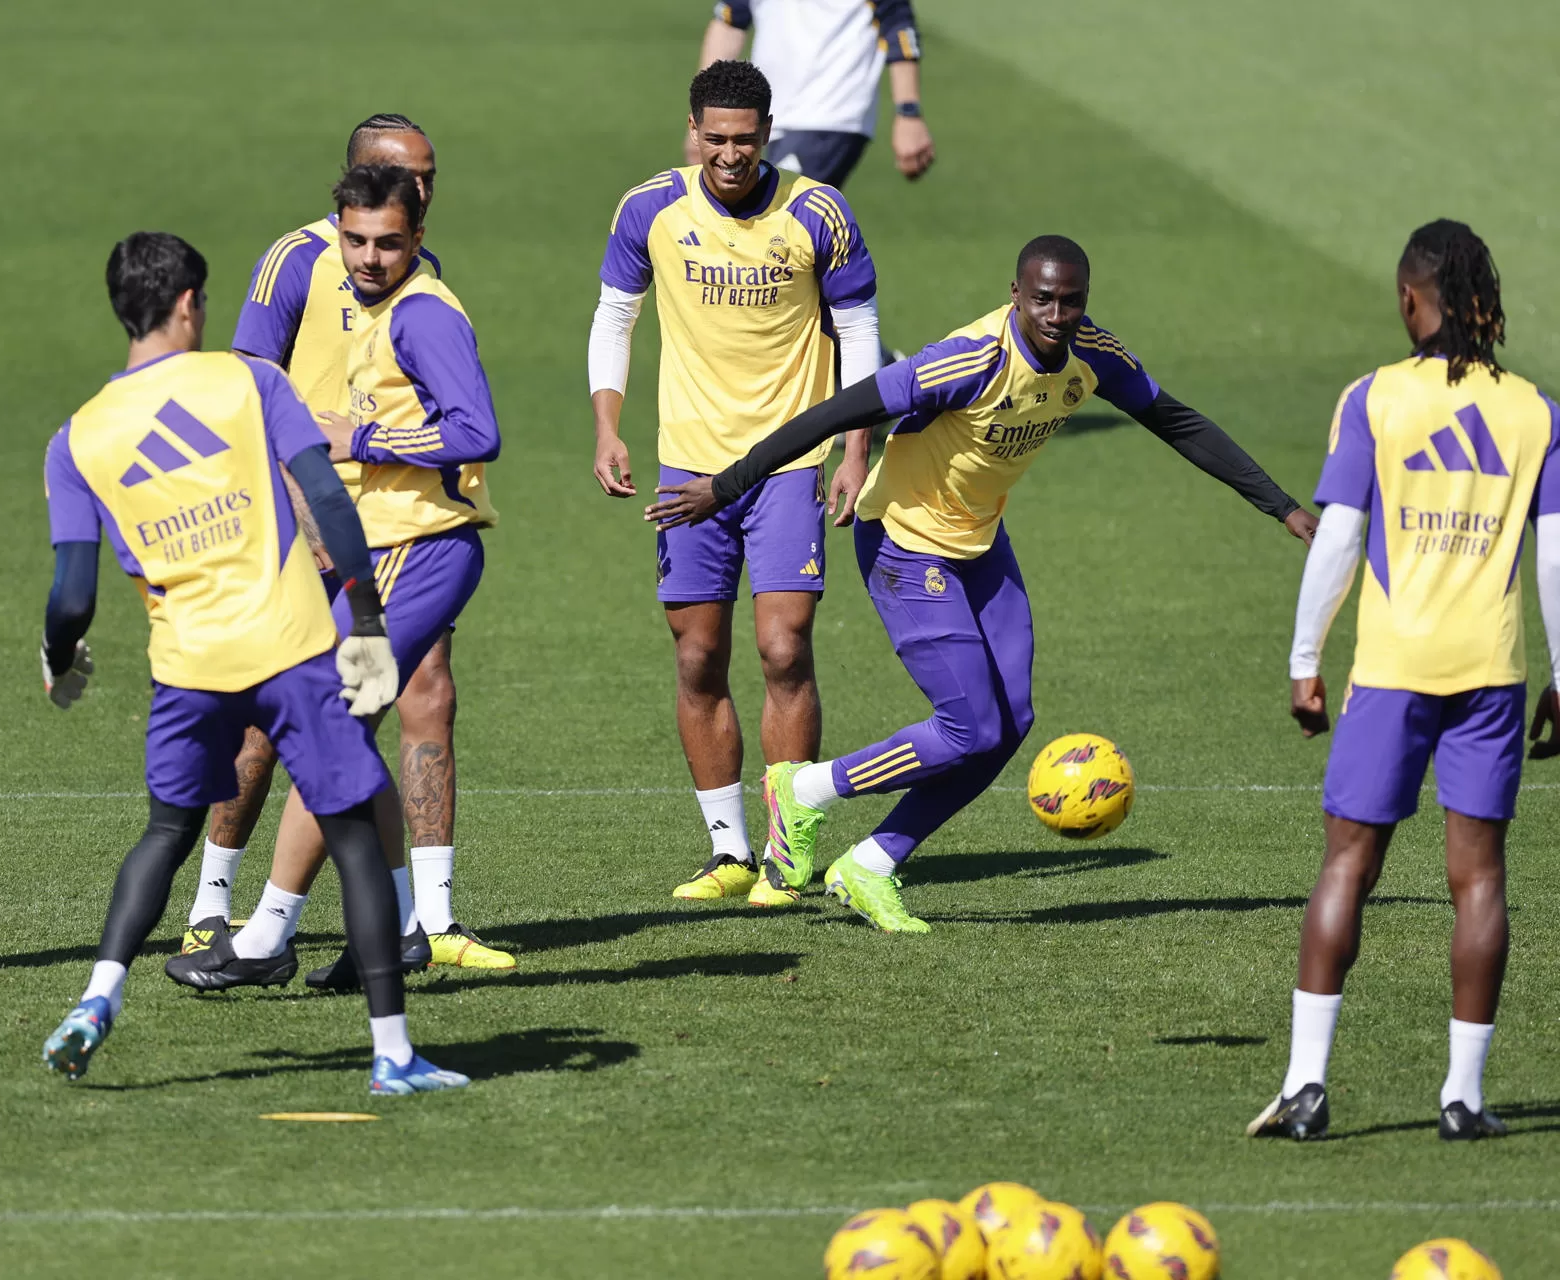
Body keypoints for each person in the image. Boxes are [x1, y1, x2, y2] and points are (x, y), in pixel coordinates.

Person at [647, 235, 1317, 932]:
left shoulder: (1095, 356)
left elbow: (1176, 422)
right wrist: (725, 486)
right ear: (1015, 295)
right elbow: (837, 411)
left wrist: (1284, 507)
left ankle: (872, 863)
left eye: (1072, 301)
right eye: (1044, 300)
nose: (1058, 314)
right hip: (905, 545)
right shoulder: (969, 361)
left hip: (979, 545)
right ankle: (806, 788)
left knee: (1010, 722)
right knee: (969, 725)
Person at [36, 230, 466, 1095]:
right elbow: (333, 511)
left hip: (187, 664)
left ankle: (96, 999)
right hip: (292, 648)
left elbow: (73, 594)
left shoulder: (76, 438)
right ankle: (391, 1053)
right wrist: (369, 619)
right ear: (190, 304)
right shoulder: (251, 380)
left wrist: (60, 656)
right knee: (349, 835)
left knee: (165, 832)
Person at [1249, 220, 1560, 1143]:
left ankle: (1307, 1088)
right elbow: (1556, 558)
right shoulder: (1536, 410)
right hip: (1491, 672)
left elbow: (1341, 535)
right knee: (1481, 881)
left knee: (1349, 862)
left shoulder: (1376, 398)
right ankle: (1463, 1098)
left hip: (1390, 672)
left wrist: (1307, 659)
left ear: (1411, 300)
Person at [167, 163, 503, 995]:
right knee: (341, 735)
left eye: (389, 242)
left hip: (417, 550)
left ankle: (267, 936)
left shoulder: (422, 314)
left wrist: (365, 440)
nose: (369, 257)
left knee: (322, 725)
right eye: (354, 240)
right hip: (385, 551)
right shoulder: (381, 307)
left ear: (418, 238)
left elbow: (477, 431)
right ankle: (394, 931)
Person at [591, 60, 882, 907]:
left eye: (745, 140)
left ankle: (788, 853)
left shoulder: (817, 211)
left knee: (784, 648)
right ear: (693, 130)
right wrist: (608, 426)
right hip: (687, 467)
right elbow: (615, 315)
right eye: (715, 139)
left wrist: (854, 448)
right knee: (698, 653)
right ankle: (728, 852)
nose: (729, 155)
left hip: (792, 461)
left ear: (768, 132)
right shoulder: (649, 208)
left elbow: (859, 332)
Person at [691, 0, 933, 188]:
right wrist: (704, 114)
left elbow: (899, 29)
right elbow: (730, 22)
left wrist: (908, 113)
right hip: (768, 115)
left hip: (830, 113)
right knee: (771, 231)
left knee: (777, 221)